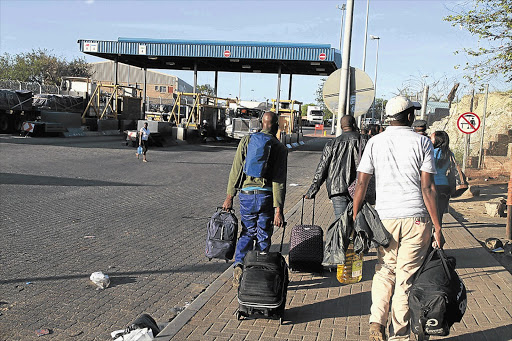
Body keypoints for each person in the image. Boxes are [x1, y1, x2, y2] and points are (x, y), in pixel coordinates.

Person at [352, 96, 444, 341]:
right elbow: (428, 189)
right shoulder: (422, 142)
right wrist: (437, 226)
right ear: (410, 116)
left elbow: (362, 181)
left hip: (385, 219)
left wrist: (354, 214)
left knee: (384, 270)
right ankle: (399, 334)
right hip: (416, 219)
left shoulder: (374, 142)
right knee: (406, 277)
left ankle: (376, 322)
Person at [222, 111, 288, 287]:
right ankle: (258, 270)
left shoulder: (247, 140)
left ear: (261, 123)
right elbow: (279, 181)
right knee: (263, 234)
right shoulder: (279, 148)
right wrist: (279, 210)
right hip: (266, 196)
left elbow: (236, 170)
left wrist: (229, 197)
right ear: (276, 127)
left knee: (247, 231)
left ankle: (239, 265)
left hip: (247, 195)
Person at [305, 115, 368, 219]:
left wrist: (312, 190)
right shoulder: (365, 140)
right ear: (354, 124)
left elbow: (322, 168)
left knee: (341, 224)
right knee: (360, 222)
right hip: (360, 188)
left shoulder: (332, 144)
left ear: (341, 127)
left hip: (338, 189)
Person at [431, 130, 452, 223]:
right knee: (439, 216)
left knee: (430, 215)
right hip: (445, 186)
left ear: (437, 140)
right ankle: (438, 234)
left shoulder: (432, 152)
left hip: (433, 186)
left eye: (432, 139)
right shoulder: (450, 154)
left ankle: (433, 235)